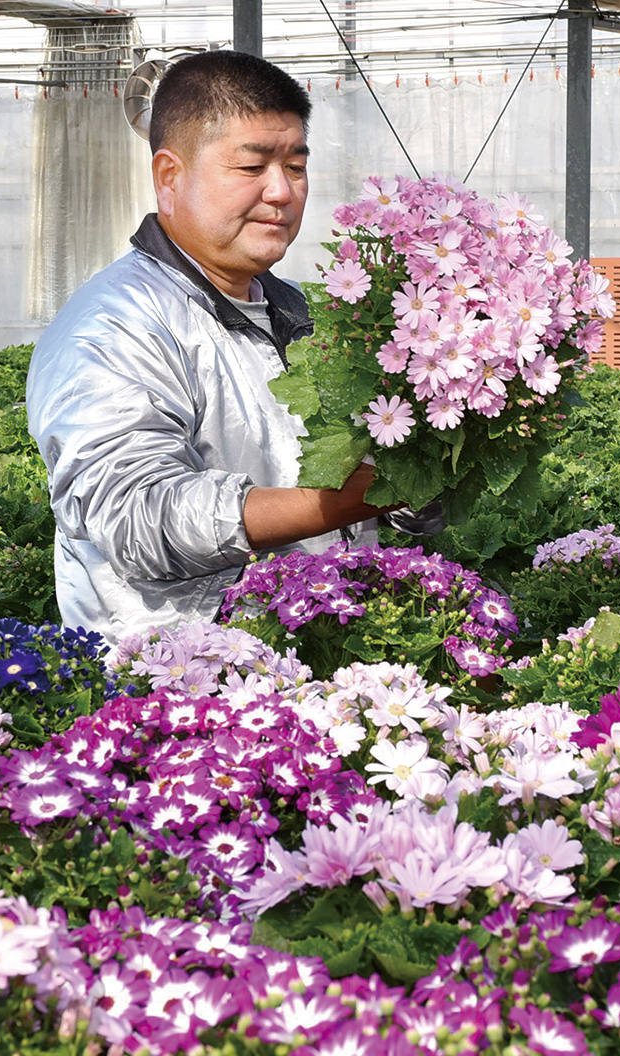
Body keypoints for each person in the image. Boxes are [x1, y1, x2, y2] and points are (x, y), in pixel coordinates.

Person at [26, 49, 418, 643]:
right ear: (169, 176)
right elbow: (138, 519)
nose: (282, 192)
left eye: (295, 165)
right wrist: (359, 495)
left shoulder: (307, 315)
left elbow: (388, 492)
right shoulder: (113, 327)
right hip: (181, 696)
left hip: (326, 666)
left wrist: (427, 469)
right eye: (251, 166)